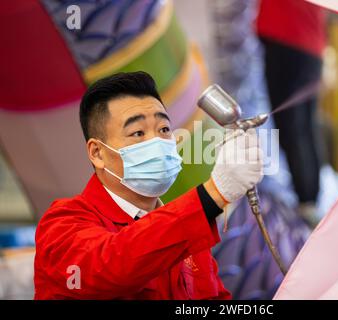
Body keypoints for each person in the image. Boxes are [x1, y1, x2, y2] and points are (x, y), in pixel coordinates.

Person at [34, 71, 263, 299]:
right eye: (138, 133)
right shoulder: (62, 224)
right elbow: (110, 266)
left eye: (164, 129)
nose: (156, 141)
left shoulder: (187, 233)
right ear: (97, 153)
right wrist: (211, 195)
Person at [256, 0, 326, 222]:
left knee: (292, 126)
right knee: (304, 126)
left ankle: (307, 203)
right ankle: (310, 199)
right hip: (311, 42)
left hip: (285, 35)